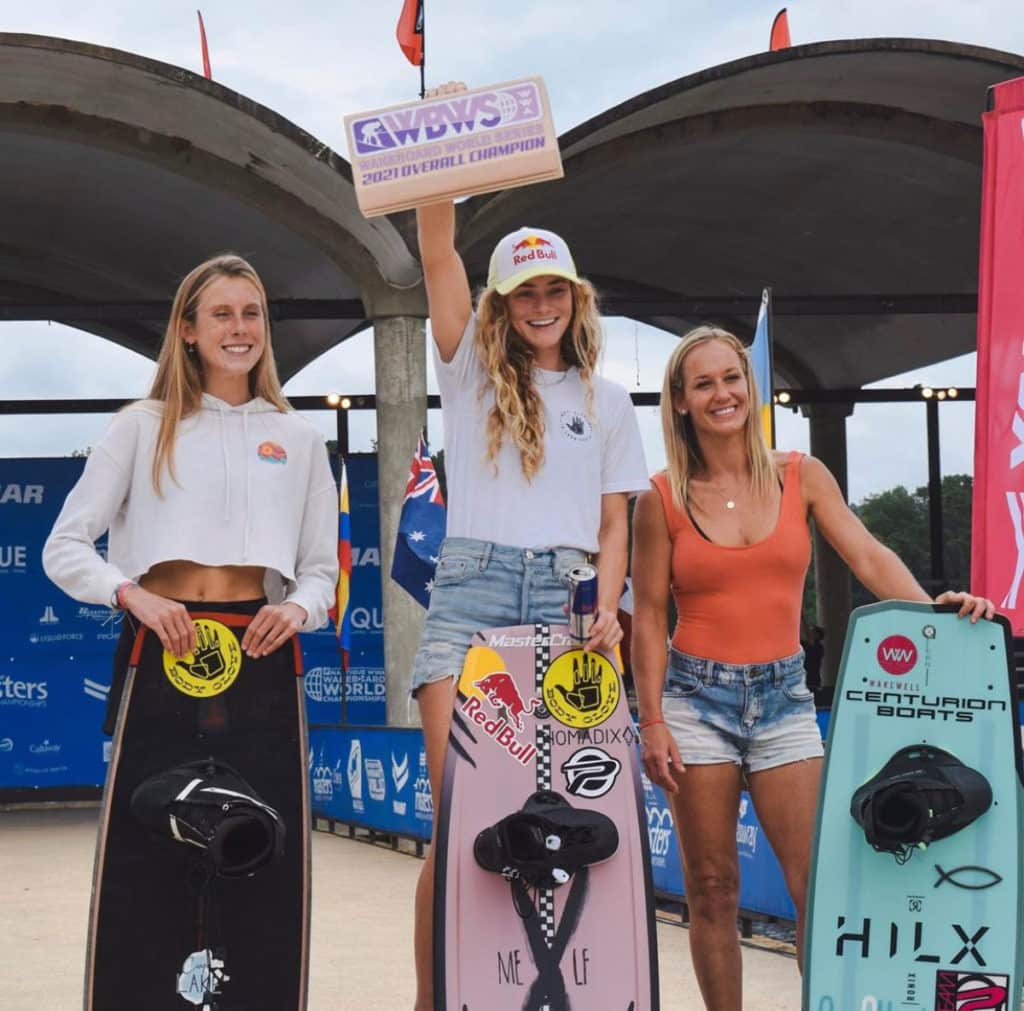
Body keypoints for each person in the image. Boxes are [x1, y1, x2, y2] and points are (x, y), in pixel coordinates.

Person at [630, 324, 993, 1011]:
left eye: (731, 378)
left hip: (784, 701)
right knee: (711, 887)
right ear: (680, 400)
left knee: (817, 888)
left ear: (751, 385)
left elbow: (869, 555)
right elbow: (648, 615)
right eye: (703, 383)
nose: (722, 393)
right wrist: (651, 719)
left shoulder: (801, 475)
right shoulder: (661, 499)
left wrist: (937, 618)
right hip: (695, 700)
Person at [410, 82, 650, 1011]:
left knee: (566, 818)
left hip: (569, 600)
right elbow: (437, 247)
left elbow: (615, 524)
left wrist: (610, 608)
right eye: (524, 291)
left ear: (574, 297)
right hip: (468, 595)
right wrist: (444, 139)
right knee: (458, 819)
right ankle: (437, 999)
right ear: (502, 303)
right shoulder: (468, 369)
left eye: (555, 288)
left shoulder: (609, 399)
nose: (541, 304)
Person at [42, 252, 337, 1007]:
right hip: (161, 645)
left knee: (262, 846)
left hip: (262, 654)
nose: (239, 329)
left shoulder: (299, 438)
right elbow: (64, 546)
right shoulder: (140, 427)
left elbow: (318, 572)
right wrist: (131, 595)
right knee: (147, 843)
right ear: (188, 328)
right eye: (222, 314)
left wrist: (297, 608)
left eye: (252, 314)